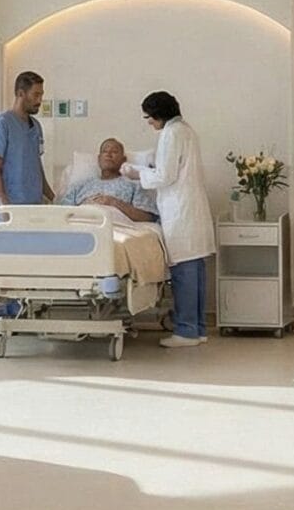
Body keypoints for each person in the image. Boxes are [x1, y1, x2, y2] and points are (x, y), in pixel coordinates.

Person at [130, 91, 216, 347]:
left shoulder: (171, 133)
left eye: (149, 118)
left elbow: (164, 176)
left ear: (158, 115)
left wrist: (137, 172)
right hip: (190, 207)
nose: (149, 124)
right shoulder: (186, 130)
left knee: (184, 271)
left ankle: (186, 331)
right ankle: (197, 328)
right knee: (195, 269)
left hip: (180, 210)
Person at [0, 71, 53, 208]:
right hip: (10, 205)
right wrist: (3, 202)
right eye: (36, 95)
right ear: (21, 94)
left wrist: (52, 196)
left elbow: (36, 165)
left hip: (34, 203)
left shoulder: (36, 127)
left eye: (41, 95)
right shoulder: (2, 124)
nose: (40, 101)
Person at [61, 138, 158, 222]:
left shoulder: (133, 185)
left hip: (117, 228)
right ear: (99, 159)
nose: (108, 154)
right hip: (83, 226)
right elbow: (60, 214)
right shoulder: (79, 186)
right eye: (105, 151)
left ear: (123, 160)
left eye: (114, 152)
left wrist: (114, 203)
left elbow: (148, 217)